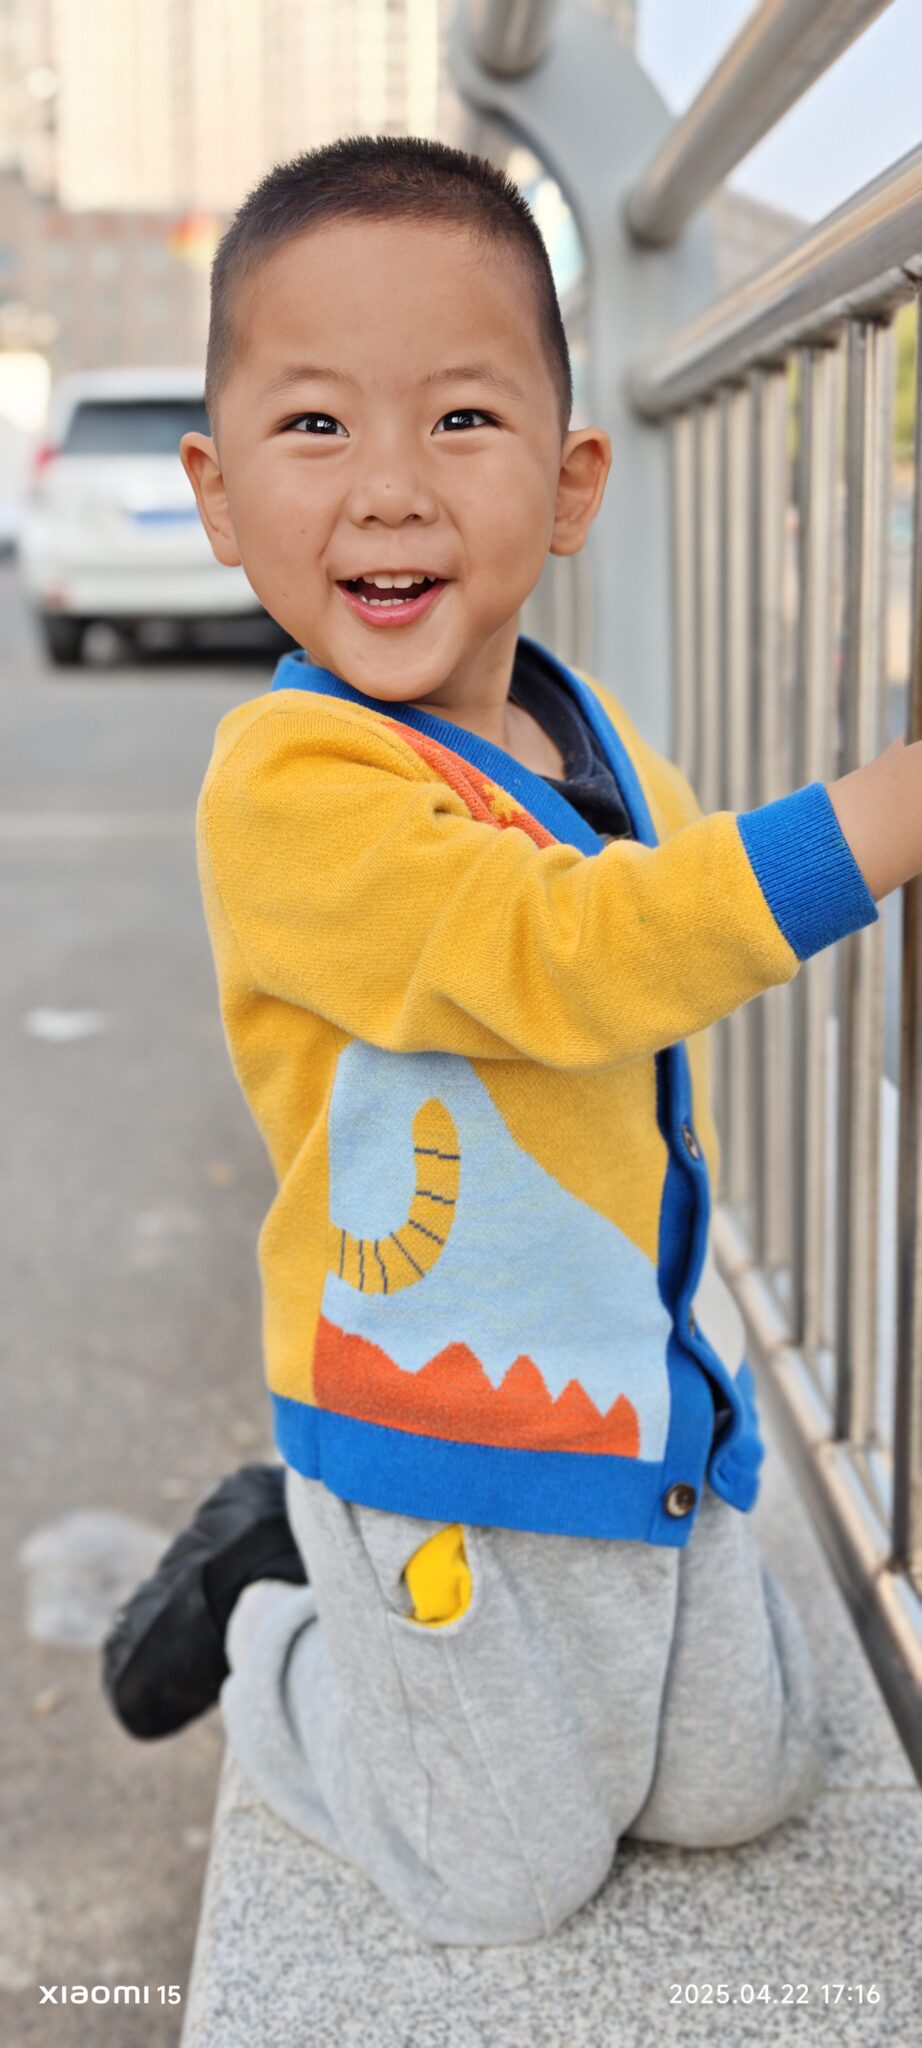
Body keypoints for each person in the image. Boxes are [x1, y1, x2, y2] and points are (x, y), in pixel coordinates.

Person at [100, 132, 921, 1947]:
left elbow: (690, 913)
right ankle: (277, 1623)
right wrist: (880, 816)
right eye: (315, 426)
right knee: (504, 1882)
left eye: (461, 420)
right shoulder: (290, 786)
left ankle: (457, 1640)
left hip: (625, 1388)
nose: (390, 490)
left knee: (745, 1783)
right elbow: (566, 953)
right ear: (217, 494)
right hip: (423, 1424)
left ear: (567, 484)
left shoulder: (579, 730)